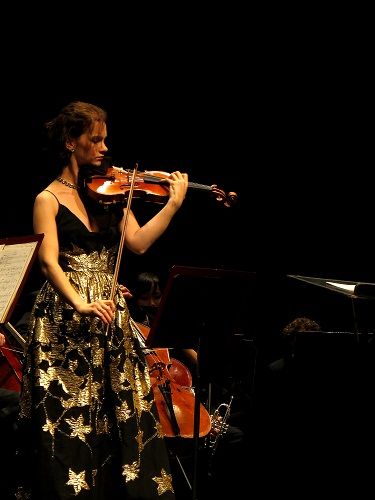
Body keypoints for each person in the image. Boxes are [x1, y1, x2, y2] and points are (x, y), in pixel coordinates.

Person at [15, 101, 188, 499]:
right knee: (72, 413)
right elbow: (47, 263)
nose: (104, 147)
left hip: (111, 317)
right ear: (69, 141)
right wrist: (79, 301)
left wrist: (173, 204)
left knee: (121, 410)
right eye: (95, 139)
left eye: (105, 138)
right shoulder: (48, 199)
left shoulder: (109, 194)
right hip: (65, 319)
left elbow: (140, 243)